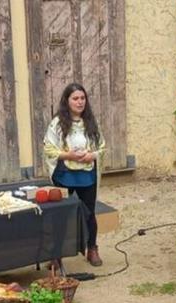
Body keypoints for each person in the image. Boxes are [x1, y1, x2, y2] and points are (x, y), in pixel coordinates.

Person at [44, 83, 106, 267]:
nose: (80, 102)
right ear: (67, 101)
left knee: (89, 213)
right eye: (75, 98)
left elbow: (102, 147)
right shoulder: (57, 124)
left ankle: (92, 248)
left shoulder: (91, 122)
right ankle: (56, 255)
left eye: (82, 98)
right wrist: (68, 155)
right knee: (60, 215)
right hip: (65, 175)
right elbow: (48, 148)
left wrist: (91, 155)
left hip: (87, 175)